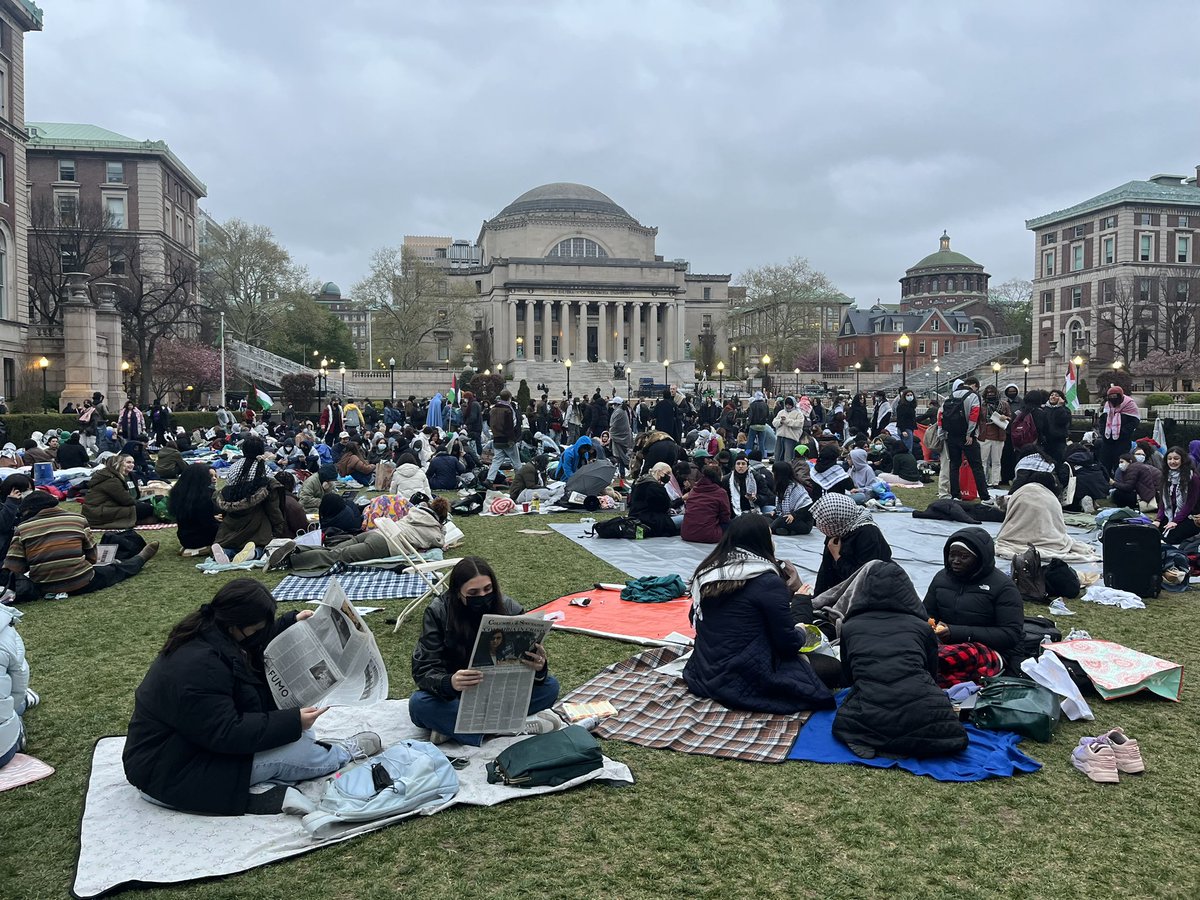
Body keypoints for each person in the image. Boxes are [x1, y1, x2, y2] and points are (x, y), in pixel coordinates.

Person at [122, 579, 382, 815]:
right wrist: (292, 722)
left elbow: (253, 643)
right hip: (171, 771)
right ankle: (342, 754)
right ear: (237, 626)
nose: (260, 634)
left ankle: (265, 781)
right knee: (298, 750)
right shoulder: (201, 666)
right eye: (258, 627)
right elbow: (227, 733)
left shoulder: (211, 632)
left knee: (300, 735)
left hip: (184, 750)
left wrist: (289, 624)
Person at [683, 515, 834, 714]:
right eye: (770, 536)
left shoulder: (708, 572)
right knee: (833, 668)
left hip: (704, 671)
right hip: (747, 675)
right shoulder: (766, 580)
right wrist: (800, 609)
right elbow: (787, 644)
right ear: (761, 541)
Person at [409, 557, 561, 745]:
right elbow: (423, 668)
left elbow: (532, 672)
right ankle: (507, 729)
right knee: (419, 704)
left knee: (550, 686)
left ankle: (455, 728)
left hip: (500, 692)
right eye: (473, 592)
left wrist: (539, 667)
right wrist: (450, 682)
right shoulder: (438, 611)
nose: (482, 596)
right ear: (458, 593)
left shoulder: (510, 608)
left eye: (488, 589)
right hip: (457, 695)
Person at [833, 560, 968, 759]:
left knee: (848, 720)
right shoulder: (922, 628)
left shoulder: (851, 626)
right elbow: (931, 672)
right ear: (907, 590)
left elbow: (849, 675)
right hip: (922, 703)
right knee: (950, 733)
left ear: (864, 589)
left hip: (870, 704)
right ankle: (913, 743)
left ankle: (868, 738)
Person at [4, 491, 158, 595]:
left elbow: (14, 568)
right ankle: (140, 558)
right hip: (81, 582)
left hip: (43, 586)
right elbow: (92, 557)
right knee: (116, 569)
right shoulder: (77, 519)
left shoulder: (22, 529)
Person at [923, 528, 1023, 683]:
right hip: (945, 645)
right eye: (952, 555)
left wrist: (956, 632)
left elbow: (1010, 635)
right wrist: (930, 626)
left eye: (964, 556)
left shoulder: (1003, 587)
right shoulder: (941, 579)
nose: (955, 560)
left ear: (980, 559)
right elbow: (927, 614)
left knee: (956, 657)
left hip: (984, 650)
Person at [281, 497, 448, 571]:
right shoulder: (434, 531)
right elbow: (439, 542)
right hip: (383, 544)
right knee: (336, 556)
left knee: (335, 549)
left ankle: (298, 548)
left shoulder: (414, 512)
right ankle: (292, 560)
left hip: (375, 532)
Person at [811, 493, 892, 594]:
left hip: (872, 587)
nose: (820, 527)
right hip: (846, 582)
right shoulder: (838, 529)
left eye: (824, 525)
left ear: (837, 521)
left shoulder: (868, 534)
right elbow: (826, 568)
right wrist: (817, 597)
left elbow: (862, 578)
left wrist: (837, 557)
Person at [214, 450, 286, 559]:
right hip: (257, 526)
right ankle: (253, 553)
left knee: (231, 546)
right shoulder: (264, 471)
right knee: (261, 547)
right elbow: (273, 509)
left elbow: (226, 493)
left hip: (231, 526)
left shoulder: (233, 468)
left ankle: (225, 553)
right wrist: (278, 528)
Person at [944, 378, 991, 503]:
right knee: (976, 466)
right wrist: (970, 434)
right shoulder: (974, 396)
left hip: (952, 435)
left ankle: (955, 494)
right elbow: (974, 416)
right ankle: (984, 496)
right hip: (966, 436)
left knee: (954, 465)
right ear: (975, 386)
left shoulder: (951, 395)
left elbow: (943, 415)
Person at [0, 602, 35, 770]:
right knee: (15, 702)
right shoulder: (5, 631)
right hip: (1, 751)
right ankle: (17, 730)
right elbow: (19, 686)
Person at [82, 454, 156, 528]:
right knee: (147, 508)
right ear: (118, 465)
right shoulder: (111, 480)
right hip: (98, 513)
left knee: (147, 507)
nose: (131, 465)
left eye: (133, 463)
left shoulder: (113, 476)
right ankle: (139, 520)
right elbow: (126, 500)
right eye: (128, 462)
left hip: (102, 509)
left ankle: (141, 520)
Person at [167, 464, 220, 552]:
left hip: (184, 538)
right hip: (201, 538)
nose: (214, 479)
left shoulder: (179, 493)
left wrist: (212, 518)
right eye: (210, 476)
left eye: (215, 476)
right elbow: (207, 525)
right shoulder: (206, 497)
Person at [1158, 445, 1200, 546]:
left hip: (1190, 515)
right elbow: (1163, 502)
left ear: (1183, 460)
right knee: (1155, 533)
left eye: (1176, 459)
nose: (1172, 462)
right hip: (1170, 513)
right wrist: (1158, 519)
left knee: (1171, 537)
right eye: (1170, 459)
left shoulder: (1192, 478)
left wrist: (1176, 521)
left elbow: (1190, 504)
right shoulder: (1165, 476)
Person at [680, 465, 732, 543]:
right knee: (732, 524)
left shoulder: (693, 490)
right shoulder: (720, 492)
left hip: (686, 534)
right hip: (708, 536)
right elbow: (725, 516)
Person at [629, 462, 682, 537]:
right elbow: (666, 506)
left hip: (636, 519)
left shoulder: (638, 484)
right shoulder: (656, 488)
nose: (669, 476)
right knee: (686, 518)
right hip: (654, 522)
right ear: (659, 472)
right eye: (667, 473)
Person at [1098, 386, 1141, 478]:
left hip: (1123, 441)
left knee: (1121, 463)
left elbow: (1134, 421)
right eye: (1111, 397)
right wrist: (1103, 432)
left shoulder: (1130, 404)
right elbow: (1102, 420)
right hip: (1107, 440)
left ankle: (1119, 482)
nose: (1113, 399)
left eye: (1115, 397)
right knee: (1105, 463)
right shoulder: (1107, 405)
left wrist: (1123, 432)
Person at [977, 384, 1011, 487]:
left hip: (999, 435)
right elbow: (978, 419)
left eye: (992, 393)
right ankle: (983, 481)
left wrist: (1005, 417)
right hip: (984, 435)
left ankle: (995, 481)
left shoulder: (1004, 404)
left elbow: (1010, 416)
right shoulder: (982, 405)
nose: (990, 395)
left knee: (997, 461)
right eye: (988, 393)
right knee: (983, 460)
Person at [485, 390, 522, 485]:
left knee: (496, 461)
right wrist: (512, 439)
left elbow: (489, 423)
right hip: (507, 439)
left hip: (496, 438)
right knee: (516, 462)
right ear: (509, 398)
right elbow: (511, 425)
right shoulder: (508, 410)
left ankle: (489, 479)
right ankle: (520, 481)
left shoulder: (492, 409)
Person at [771, 460, 814, 535]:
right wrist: (775, 511)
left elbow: (808, 508)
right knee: (766, 517)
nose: (772, 475)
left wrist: (794, 515)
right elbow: (781, 506)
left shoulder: (796, 488)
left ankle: (768, 530)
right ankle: (784, 530)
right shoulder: (781, 487)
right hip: (786, 517)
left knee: (781, 520)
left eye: (774, 472)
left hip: (802, 522)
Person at [0, 474, 32, 561]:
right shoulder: (5, 505)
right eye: (26, 490)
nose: (29, 492)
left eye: (31, 489)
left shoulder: (32, 505)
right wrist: (11, 503)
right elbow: (3, 525)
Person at [273, 471, 309, 536]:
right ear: (292, 486)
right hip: (288, 539)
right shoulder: (291, 504)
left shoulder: (269, 498)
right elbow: (303, 528)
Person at [772, 397, 806, 463]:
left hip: (791, 438)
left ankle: (788, 469)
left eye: (790, 405)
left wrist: (787, 421)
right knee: (778, 455)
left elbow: (799, 424)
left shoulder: (798, 413)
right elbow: (774, 422)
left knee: (788, 457)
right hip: (780, 437)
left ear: (793, 405)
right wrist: (780, 421)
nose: (788, 406)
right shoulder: (781, 412)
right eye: (786, 405)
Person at [744, 391, 769, 456]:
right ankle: (762, 455)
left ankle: (748, 454)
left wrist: (748, 423)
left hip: (753, 425)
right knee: (761, 442)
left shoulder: (752, 405)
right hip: (762, 426)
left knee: (750, 441)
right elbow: (767, 415)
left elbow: (751, 416)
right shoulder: (765, 405)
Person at [894, 389, 918, 453]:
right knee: (907, 447)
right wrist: (903, 430)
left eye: (911, 395)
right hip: (905, 428)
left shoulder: (911, 406)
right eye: (908, 395)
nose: (910, 396)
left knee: (909, 446)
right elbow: (900, 419)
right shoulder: (902, 406)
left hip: (910, 427)